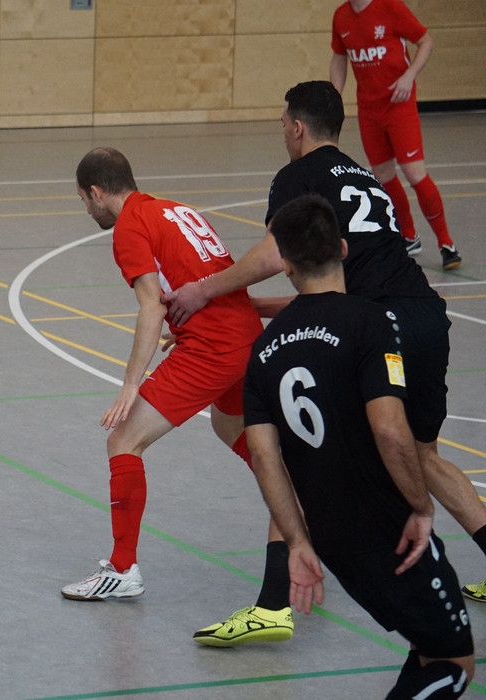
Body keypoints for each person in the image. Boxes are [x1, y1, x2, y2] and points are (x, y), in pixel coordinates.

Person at [162, 80, 486, 647]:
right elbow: (337, 287)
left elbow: (275, 254)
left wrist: (204, 290)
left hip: (370, 326)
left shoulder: (299, 176)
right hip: (424, 315)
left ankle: (273, 606)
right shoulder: (363, 177)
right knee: (425, 456)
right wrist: (251, 308)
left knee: (296, 450)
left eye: (283, 124)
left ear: (296, 126)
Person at [244, 194, 473, 698]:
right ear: (344, 248)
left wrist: (297, 542)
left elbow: (264, 458)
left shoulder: (264, 350)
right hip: (386, 527)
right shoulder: (370, 322)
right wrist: (420, 506)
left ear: (285, 264)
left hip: (329, 535)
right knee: (454, 663)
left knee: (427, 648)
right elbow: (390, 431)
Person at [60, 147, 265, 601]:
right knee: (231, 427)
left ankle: (122, 569)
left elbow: (151, 305)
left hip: (213, 348)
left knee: (123, 441)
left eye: (83, 200)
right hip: (246, 335)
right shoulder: (174, 210)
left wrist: (131, 384)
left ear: (96, 192)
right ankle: (304, 514)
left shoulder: (129, 227)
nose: (86, 210)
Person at [331, 0, 461, 270]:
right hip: (369, 109)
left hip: (399, 105)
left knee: (414, 173)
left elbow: (426, 41)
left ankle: (446, 243)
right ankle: (409, 236)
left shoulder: (390, 7)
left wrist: (409, 75)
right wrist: (334, 95)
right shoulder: (341, 16)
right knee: (383, 175)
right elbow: (339, 57)